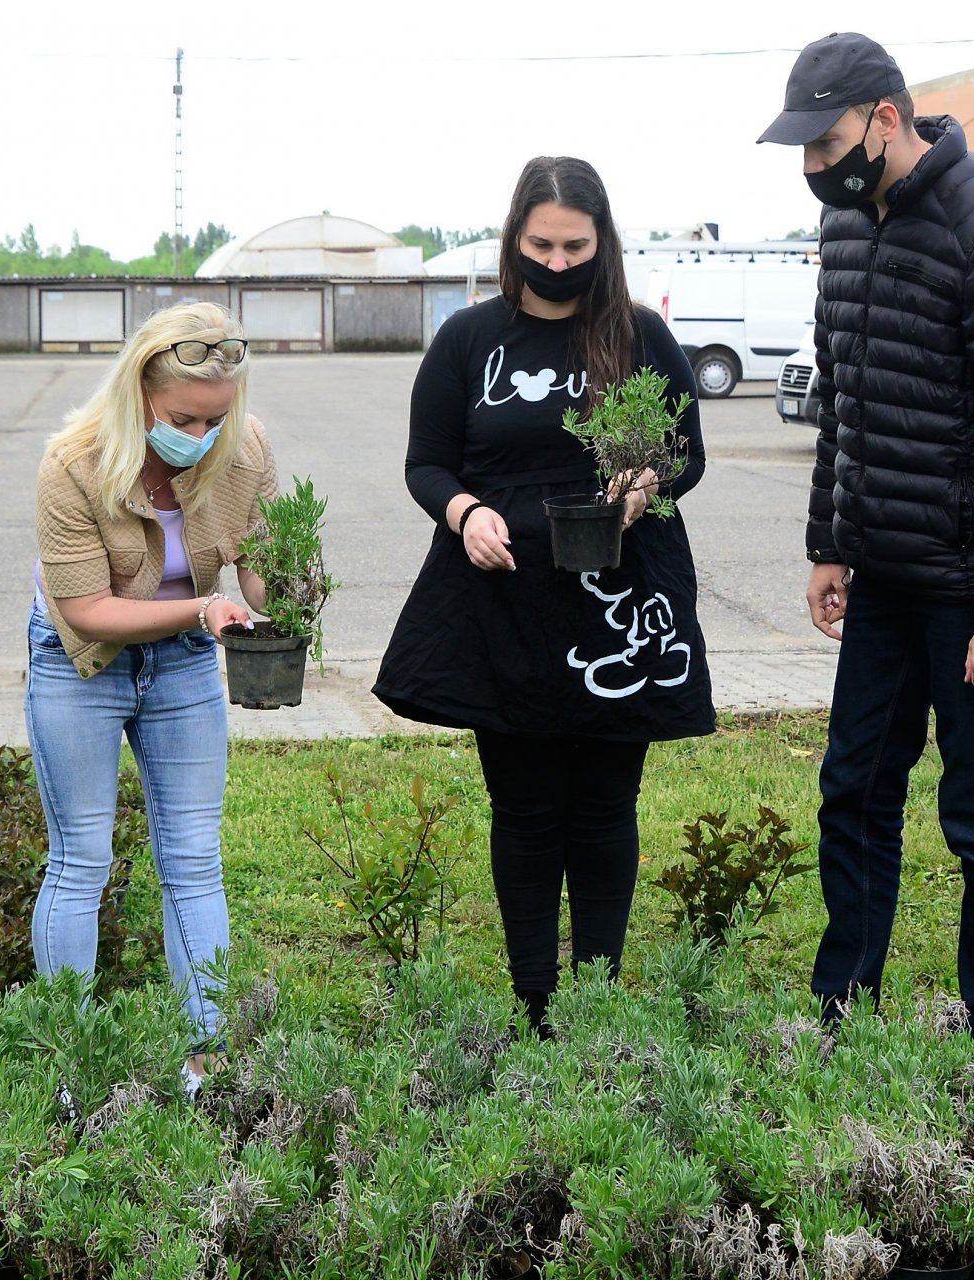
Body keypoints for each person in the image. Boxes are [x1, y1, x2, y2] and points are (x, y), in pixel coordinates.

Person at [758, 33, 974, 1034]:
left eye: (827, 144)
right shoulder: (848, 226)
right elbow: (842, 402)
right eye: (804, 151)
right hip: (882, 577)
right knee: (852, 790)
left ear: (886, 120)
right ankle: (843, 1006)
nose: (815, 167)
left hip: (971, 589)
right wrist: (829, 541)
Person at [373, 156, 715, 1035]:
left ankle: (594, 999)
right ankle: (535, 1005)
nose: (557, 263)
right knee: (524, 810)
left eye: (575, 247)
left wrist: (647, 483)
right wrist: (464, 512)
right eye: (541, 245)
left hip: (618, 604)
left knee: (604, 809)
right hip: (504, 602)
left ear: (603, 243)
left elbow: (687, 454)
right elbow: (426, 463)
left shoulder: (639, 336)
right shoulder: (469, 339)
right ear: (513, 239)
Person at [28, 302, 275, 1091]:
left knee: (195, 858)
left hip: (185, 662)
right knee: (81, 859)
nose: (201, 437)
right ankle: (71, 1066)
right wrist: (201, 610)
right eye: (184, 419)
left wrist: (288, 577)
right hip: (82, 661)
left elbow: (262, 581)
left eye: (216, 419)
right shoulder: (72, 464)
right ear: (139, 393)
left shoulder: (243, 450)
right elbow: (85, 611)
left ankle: (208, 1061)